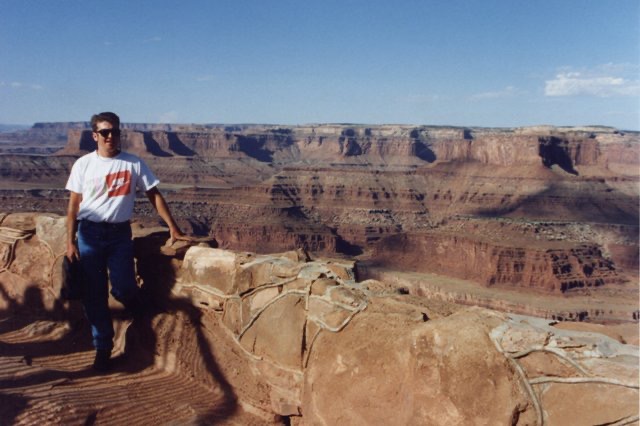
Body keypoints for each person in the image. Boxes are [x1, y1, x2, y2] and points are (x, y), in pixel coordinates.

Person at [65, 112, 188, 372]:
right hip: (89, 234)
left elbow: (153, 195)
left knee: (123, 286)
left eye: (115, 132)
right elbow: (74, 206)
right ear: (95, 135)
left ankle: (140, 312)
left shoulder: (133, 163)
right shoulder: (83, 165)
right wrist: (70, 242)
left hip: (119, 234)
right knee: (94, 294)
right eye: (105, 132)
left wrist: (173, 228)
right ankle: (103, 349)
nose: (111, 137)